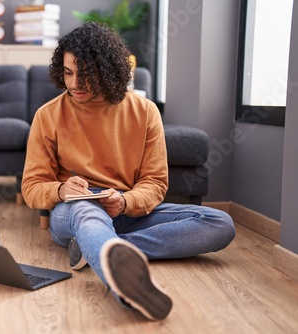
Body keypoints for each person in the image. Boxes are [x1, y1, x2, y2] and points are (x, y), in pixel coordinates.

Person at [21, 22, 236, 321]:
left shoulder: (145, 112)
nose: (74, 83)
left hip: (126, 209)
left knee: (219, 223)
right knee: (86, 211)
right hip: (72, 211)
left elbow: (155, 182)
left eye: (85, 73)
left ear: (107, 69)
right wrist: (60, 190)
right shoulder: (48, 115)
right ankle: (126, 286)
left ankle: (95, 249)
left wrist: (125, 202)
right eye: (68, 72)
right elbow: (31, 186)